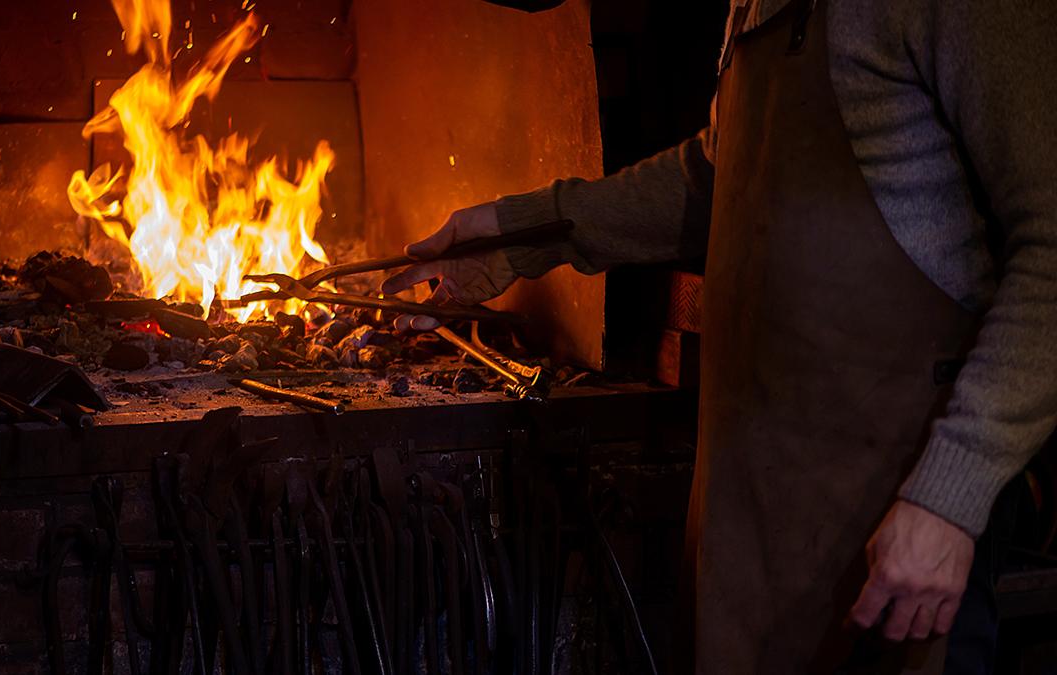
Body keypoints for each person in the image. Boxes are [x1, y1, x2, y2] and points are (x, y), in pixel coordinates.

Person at [382, 0, 1057, 672]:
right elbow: (721, 168)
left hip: (903, 520)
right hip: (751, 506)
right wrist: (518, 236)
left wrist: (951, 495)